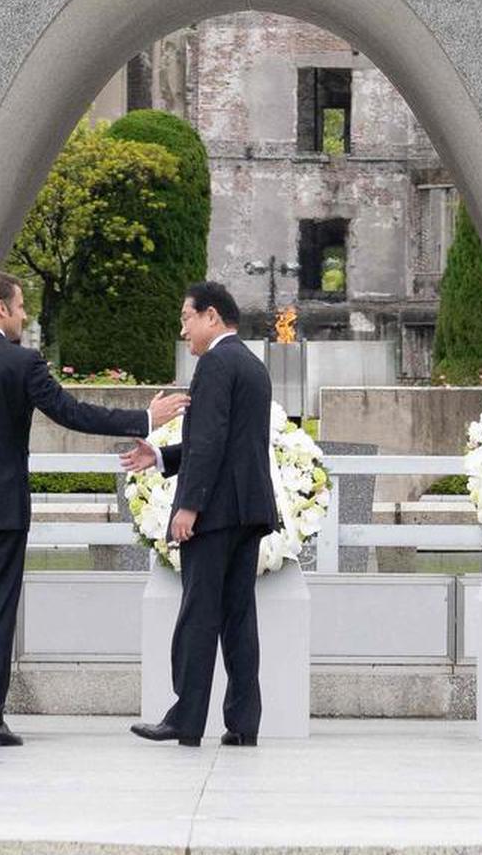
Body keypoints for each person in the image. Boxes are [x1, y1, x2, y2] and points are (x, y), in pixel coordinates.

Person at [0, 270, 187, 748]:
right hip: (2, 512)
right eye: (19, 306)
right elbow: (72, 413)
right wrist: (145, 417)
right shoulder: (22, 364)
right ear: (0, 308)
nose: (23, 315)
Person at [123, 281, 279, 747]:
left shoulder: (213, 364)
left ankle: (185, 719)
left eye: (186, 319)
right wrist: (163, 457)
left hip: (215, 511)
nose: (183, 329)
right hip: (248, 510)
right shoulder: (251, 364)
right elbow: (226, 441)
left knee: (196, 616)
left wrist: (188, 506)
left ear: (211, 316)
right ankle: (243, 722)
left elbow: (210, 441)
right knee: (238, 619)